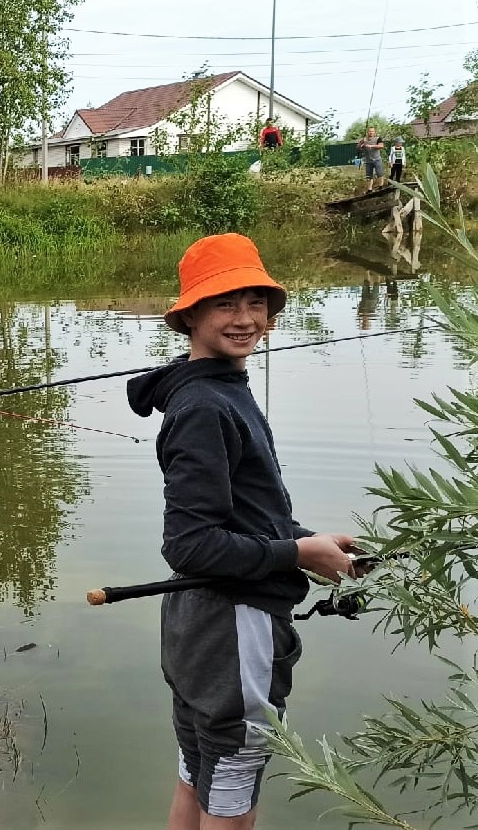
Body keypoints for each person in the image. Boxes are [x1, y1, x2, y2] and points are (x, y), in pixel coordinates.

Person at [125, 234, 357, 829]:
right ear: (191, 315)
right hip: (233, 628)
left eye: (258, 302)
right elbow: (189, 544)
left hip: (200, 623)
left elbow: (241, 516)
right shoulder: (205, 406)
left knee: (197, 768)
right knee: (231, 786)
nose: (247, 318)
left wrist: (306, 542)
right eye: (226, 303)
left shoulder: (217, 390)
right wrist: (296, 551)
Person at [358, 126, 386, 191]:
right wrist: (361, 145)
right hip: (368, 160)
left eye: (372, 131)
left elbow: (381, 146)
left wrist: (371, 146)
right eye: (370, 131)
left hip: (377, 159)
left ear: (374, 132)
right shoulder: (363, 140)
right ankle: (369, 189)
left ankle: (380, 187)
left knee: (379, 173)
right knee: (369, 176)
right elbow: (358, 148)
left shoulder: (378, 139)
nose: (371, 132)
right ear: (367, 132)